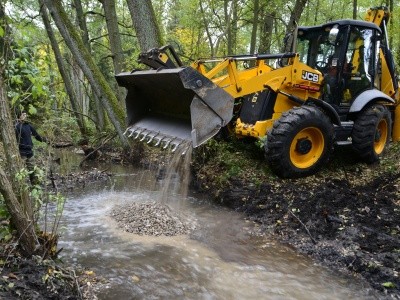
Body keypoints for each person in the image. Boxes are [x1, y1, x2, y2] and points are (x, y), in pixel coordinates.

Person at [15, 111, 45, 184]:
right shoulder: (17, 126)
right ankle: (22, 185)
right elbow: (15, 139)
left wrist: (43, 140)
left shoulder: (29, 125)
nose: (25, 116)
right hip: (21, 151)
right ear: (19, 116)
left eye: (26, 115)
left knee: (32, 169)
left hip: (29, 151)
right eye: (23, 115)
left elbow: (36, 135)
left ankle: (34, 184)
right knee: (22, 170)